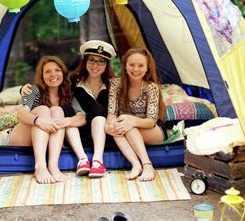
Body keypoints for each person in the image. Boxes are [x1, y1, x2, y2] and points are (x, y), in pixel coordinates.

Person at [22, 40, 117, 178]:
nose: (95, 65)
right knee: (56, 110)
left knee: (64, 111)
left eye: (101, 61)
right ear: (85, 62)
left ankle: (96, 161)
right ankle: (79, 160)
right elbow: (23, 109)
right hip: (74, 134)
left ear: (107, 64)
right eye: (91, 60)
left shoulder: (113, 84)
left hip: (104, 133)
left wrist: (64, 122)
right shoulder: (72, 82)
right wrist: (24, 90)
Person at [8, 55, 86, 184]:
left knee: (57, 110)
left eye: (57, 70)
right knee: (43, 109)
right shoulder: (34, 90)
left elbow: (82, 117)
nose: (53, 74)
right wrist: (39, 121)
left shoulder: (67, 94)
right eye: (47, 71)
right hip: (21, 137)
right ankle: (40, 166)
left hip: (48, 134)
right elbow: (21, 114)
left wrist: (66, 121)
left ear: (63, 73)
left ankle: (53, 166)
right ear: (42, 75)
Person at [105, 47, 166, 182]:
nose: (136, 69)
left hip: (152, 130)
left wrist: (131, 120)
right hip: (126, 128)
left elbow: (151, 121)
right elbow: (112, 112)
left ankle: (147, 165)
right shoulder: (116, 84)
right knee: (115, 127)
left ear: (147, 68)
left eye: (140, 65)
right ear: (125, 66)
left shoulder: (151, 88)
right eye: (132, 65)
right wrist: (111, 124)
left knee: (126, 125)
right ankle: (136, 164)